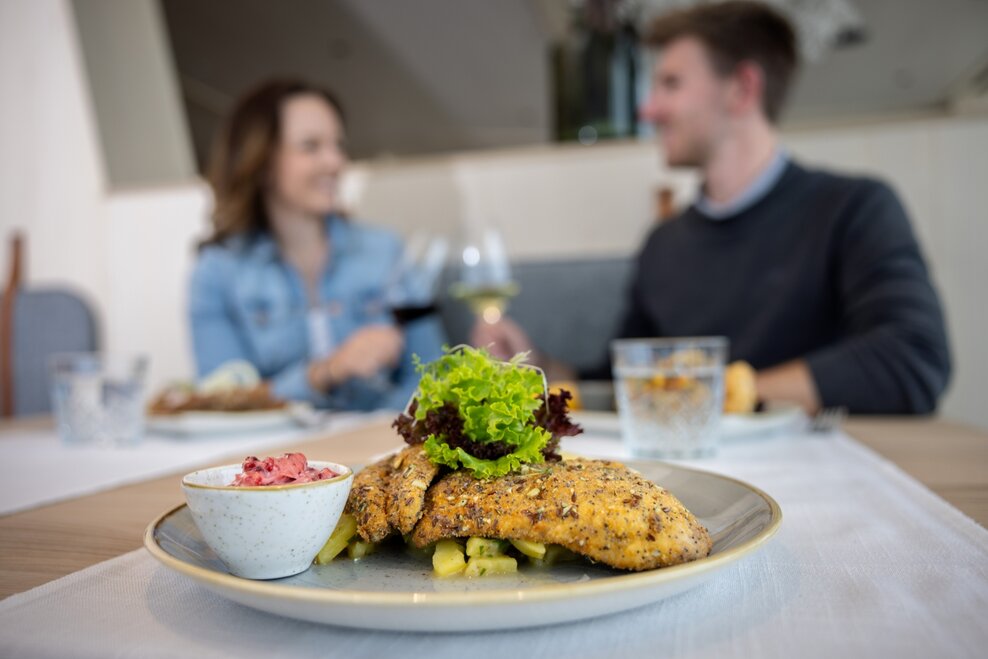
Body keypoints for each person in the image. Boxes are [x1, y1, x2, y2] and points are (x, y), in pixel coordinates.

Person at [474, 1, 950, 415]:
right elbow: (625, 382)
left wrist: (716, 395)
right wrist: (539, 365)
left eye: (671, 84)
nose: (648, 109)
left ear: (741, 89)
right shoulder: (663, 243)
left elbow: (914, 358)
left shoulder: (854, 208)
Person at [189, 78, 444, 411]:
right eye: (311, 146)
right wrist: (326, 372)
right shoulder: (216, 271)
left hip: (379, 450)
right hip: (275, 459)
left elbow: (433, 376)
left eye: (338, 145)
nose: (335, 162)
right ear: (261, 162)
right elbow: (223, 401)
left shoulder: (387, 252)